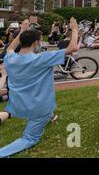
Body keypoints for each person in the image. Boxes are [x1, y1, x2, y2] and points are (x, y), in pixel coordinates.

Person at [0, 18, 79, 158]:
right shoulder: (42, 58)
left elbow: (10, 48)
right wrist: (75, 29)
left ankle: (49, 116)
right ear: (36, 43)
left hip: (17, 105)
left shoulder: (10, 58)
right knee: (30, 138)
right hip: (38, 108)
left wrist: (22, 31)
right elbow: (73, 48)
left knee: (45, 112)